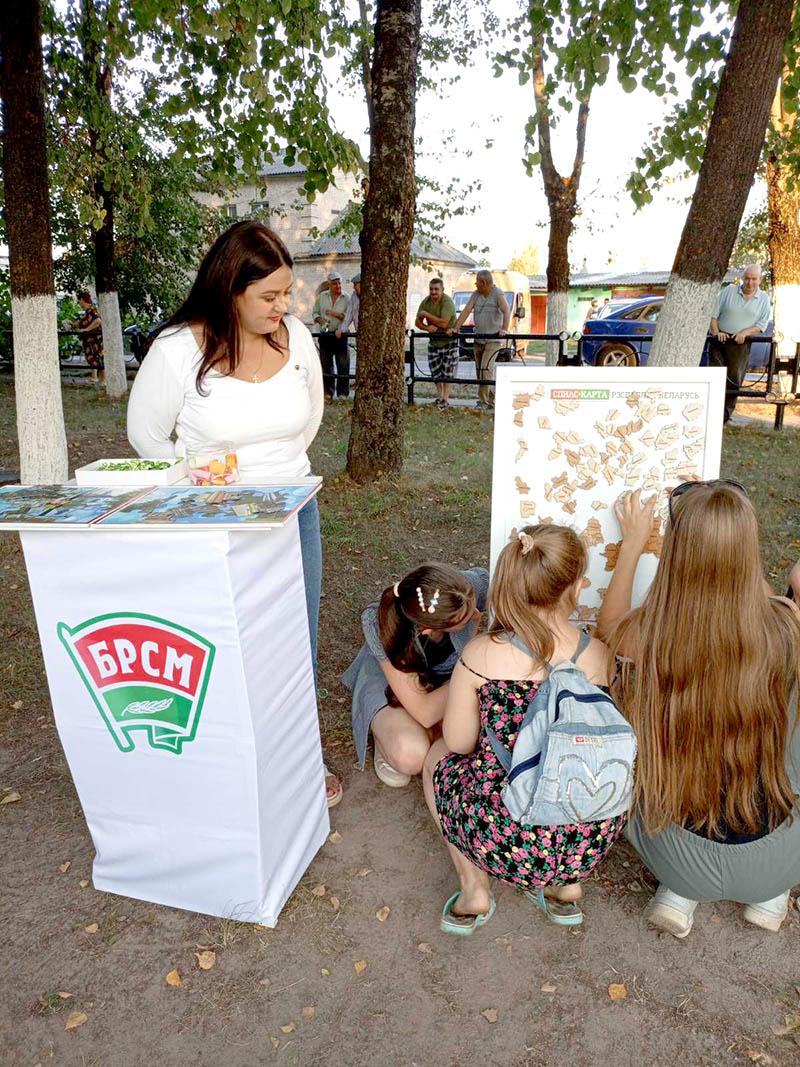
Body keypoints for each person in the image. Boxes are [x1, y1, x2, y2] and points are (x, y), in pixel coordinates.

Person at [126, 220, 342, 808]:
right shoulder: (178, 349)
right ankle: (229, 763)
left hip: (293, 514)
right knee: (225, 644)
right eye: (268, 296)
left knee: (296, 641)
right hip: (214, 524)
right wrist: (195, 480)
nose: (282, 306)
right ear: (230, 289)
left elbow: (310, 418)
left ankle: (298, 758)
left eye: (286, 293)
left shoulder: (296, 338)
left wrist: (277, 472)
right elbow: (145, 435)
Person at [598, 483, 800, 938]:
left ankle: (679, 892)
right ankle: (769, 895)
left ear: (675, 552)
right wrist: (730, 545)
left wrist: (632, 545)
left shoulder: (647, 637)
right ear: (748, 553)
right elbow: (762, 600)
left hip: (678, 858)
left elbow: (607, 631)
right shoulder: (786, 626)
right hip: (782, 858)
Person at [422, 526, 626, 934]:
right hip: (588, 835)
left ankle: (474, 890)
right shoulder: (602, 656)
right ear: (576, 587)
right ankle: (566, 887)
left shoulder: (482, 654)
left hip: (504, 837)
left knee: (436, 757)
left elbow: (459, 743)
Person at [343, 564, 488, 788]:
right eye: (465, 621)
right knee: (411, 754)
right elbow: (426, 712)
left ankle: (421, 733)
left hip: (445, 681)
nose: (474, 616)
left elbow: (504, 584)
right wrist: (476, 668)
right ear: (427, 629)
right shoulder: (378, 621)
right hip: (390, 686)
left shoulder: (462, 590)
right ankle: (384, 736)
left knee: (465, 736)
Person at [709, 264, 771, 423]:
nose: (750, 282)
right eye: (747, 278)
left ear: (760, 279)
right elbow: (713, 314)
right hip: (720, 339)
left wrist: (745, 332)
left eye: (754, 279)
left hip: (741, 343)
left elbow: (761, 324)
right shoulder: (729, 290)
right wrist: (716, 333)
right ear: (743, 278)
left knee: (734, 379)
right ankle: (710, 413)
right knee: (715, 377)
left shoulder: (764, 299)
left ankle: (725, 416)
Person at [449, 270, 510, 411]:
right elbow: (466, 310)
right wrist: (456, 328)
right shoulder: (476, 294)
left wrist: (504, 329)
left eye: (477, 282)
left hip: (493, 340)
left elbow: (506, 311)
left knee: (485, 369)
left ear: (483, 283)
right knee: (480, 372)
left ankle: (483, 402)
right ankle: (492, 401)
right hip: (478, 339)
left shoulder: (498, 294)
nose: (475, 284)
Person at [415, 278, 458, 408]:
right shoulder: (426, 301)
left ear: (442, 290)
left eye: (436, 289)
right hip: (434, 342)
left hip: (449, 340)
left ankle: (446, 399)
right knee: (435, 372)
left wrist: (426, 315)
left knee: (447, 372)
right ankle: (440, 397)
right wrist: (427, 328)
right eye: (431, 289)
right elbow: (417, 321)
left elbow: (444, 323)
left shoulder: (447, 302)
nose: (433, 292)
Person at [312, 271, 349, 401]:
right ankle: (328, 392)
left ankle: (342, 394)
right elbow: (315, 313)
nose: (338, 286)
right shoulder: (321, 297)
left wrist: (335, 314)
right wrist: (321, 321)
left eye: (339, 283)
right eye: (334, 283)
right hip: (325, 334)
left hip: (340, 335)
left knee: (343, 365)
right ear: (329, 285)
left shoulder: (346, 298)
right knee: (326, 364)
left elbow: (348, 317)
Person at [68, 291, 104, 384]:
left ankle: (102, 380)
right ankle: (95, 378)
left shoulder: (91, 310)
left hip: (94, 340)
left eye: (79, 301)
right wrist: (72, 325)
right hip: (90, 340)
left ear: (82, 300)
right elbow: (83, 322)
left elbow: (98, 321)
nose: (79, 303)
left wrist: (86, 329)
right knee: (93, 358)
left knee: (97, 359)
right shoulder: (88, 312)